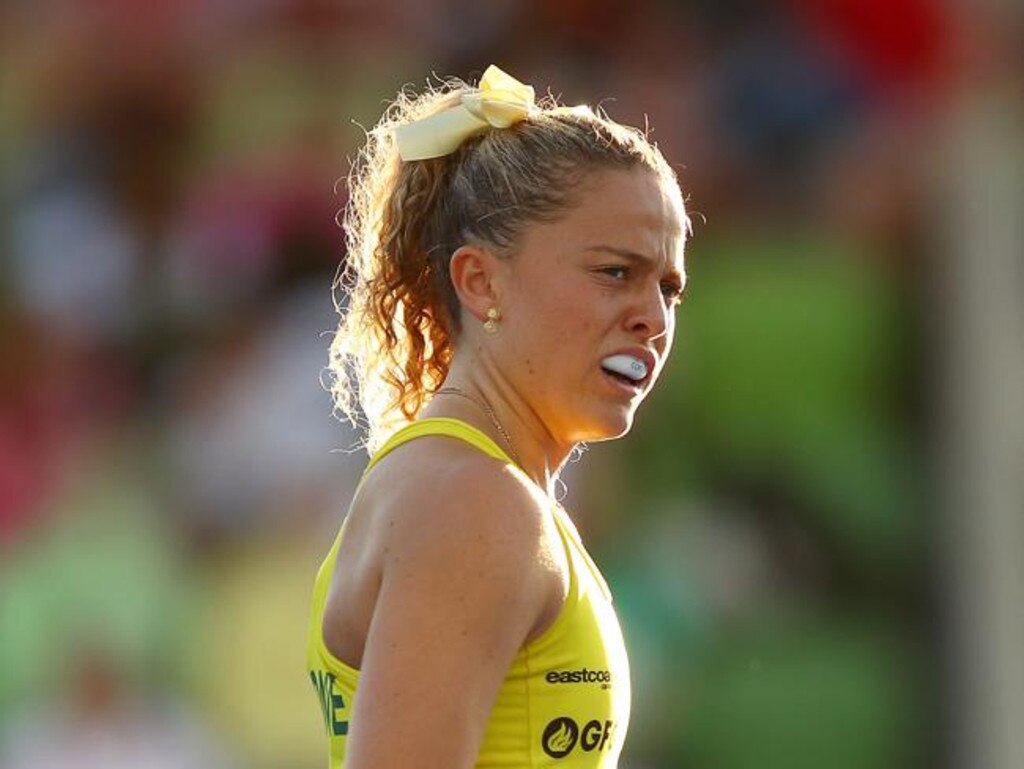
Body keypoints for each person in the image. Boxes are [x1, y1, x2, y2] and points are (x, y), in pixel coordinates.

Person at [306, 65, 690, 768]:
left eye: (669, 287)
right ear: (481, 281)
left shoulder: (468, 487)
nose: (653, 317)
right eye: (615, 272)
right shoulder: (473, 502)